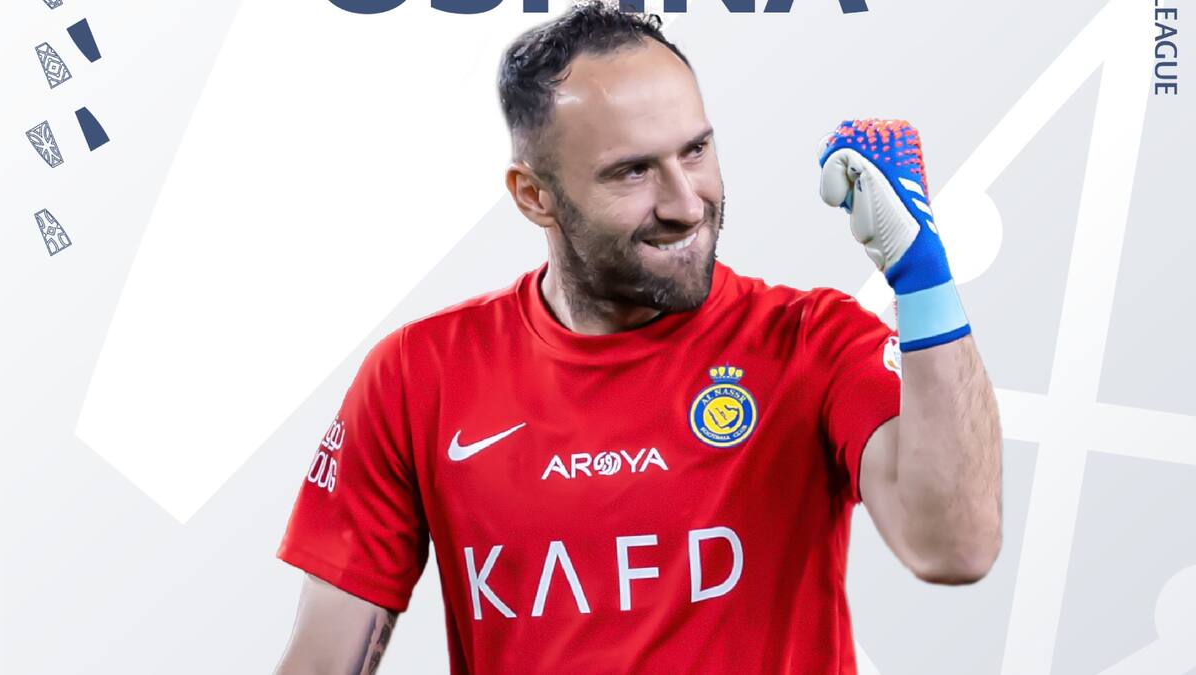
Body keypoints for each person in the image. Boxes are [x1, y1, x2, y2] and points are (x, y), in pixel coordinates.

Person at [271, 3, 1002, 673]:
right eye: (632, 172)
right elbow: (324, 661)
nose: (687, 204)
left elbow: (955, 546)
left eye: (695, 151)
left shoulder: (810, 341)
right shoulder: (418, 374)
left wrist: (922, 278)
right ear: (534, 195)